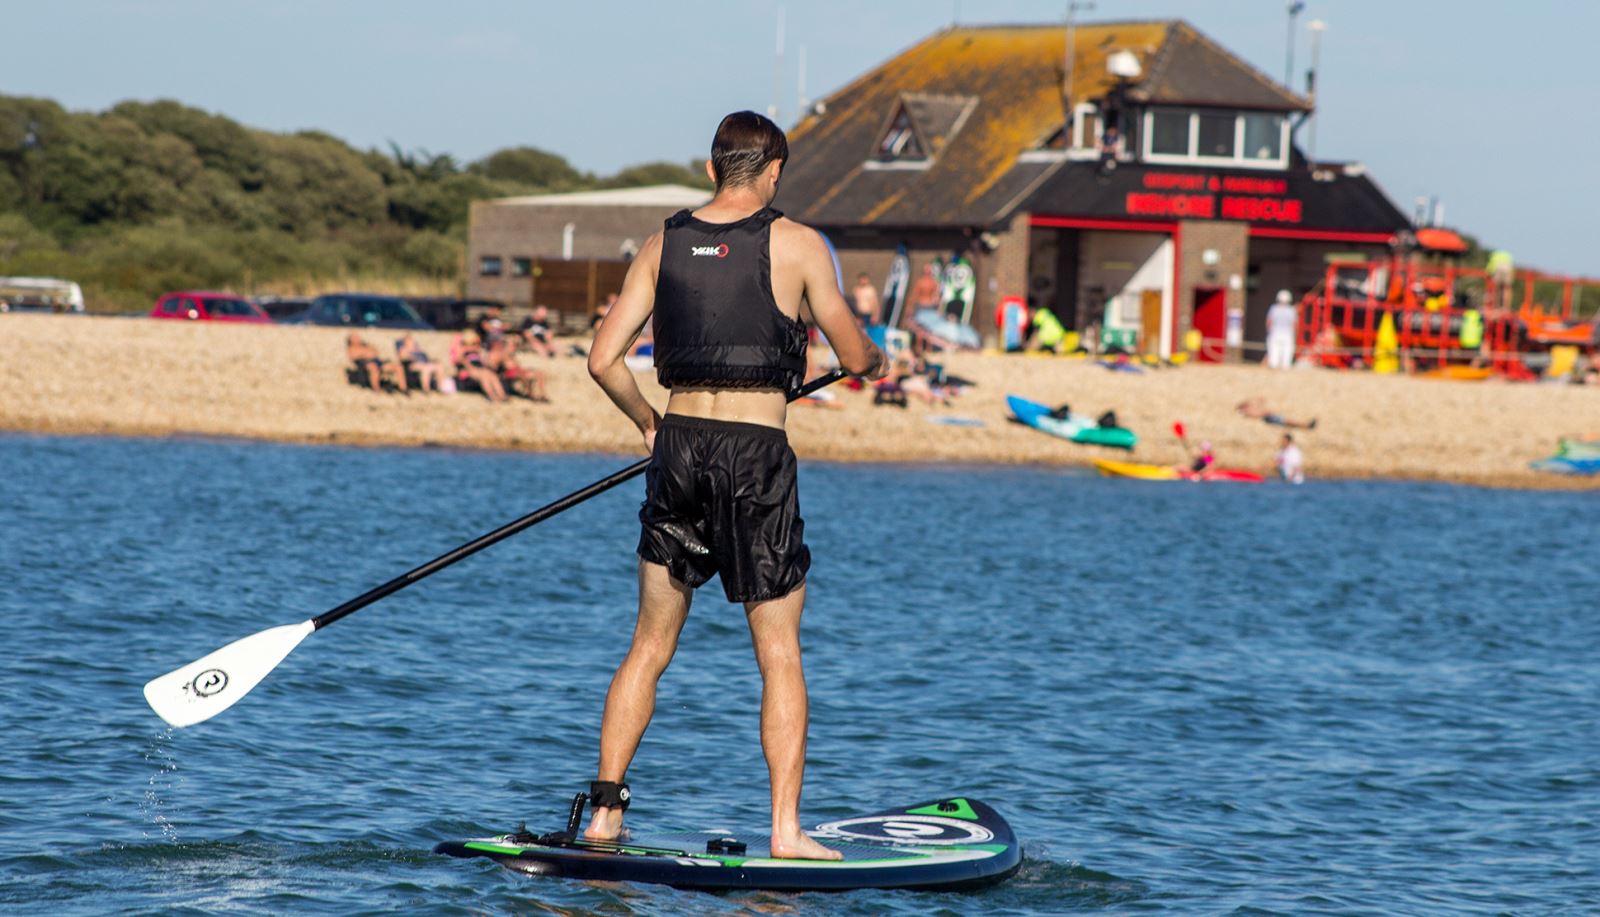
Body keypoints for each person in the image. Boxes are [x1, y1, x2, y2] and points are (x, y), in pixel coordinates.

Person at [584, 111, 887, 861]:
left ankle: (603, 817)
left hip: (679, 445)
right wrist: (873, 358)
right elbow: (853, 353)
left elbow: (602, 361)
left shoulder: (662, 242)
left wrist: (648, 424)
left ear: (715, 165)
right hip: (756, 453)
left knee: (649, 642)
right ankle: (786, 831)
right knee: (778, 650)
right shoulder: (799, 244)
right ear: (774, 170)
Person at [449, 330, 508, 402]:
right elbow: (460, 360)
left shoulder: (477, 352)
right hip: (470, 371)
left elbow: (483, 362)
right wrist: (467, 350)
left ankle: (502, 395)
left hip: (480, 369)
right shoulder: (463, 352)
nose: (474, 345)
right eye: (472, 343)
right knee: (484, 375)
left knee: (492, 375)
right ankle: (492, 396)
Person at [1236, 397, 1317, 430]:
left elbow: (1259, 410)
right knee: (1288, 421)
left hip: (1269, 416)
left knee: (1288, 422)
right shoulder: (1249, 412)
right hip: (1269, 417)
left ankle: (1305, 425)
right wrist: (1266, 412)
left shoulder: (1250, 409)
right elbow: (1260, 414)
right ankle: (1306, 425)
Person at [1265, 289, 1297, 370]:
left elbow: (1269, 322)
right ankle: (1286, 366)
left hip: (1275, 333)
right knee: (1287, 351)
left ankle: (1273, 365)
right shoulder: (1292, 310)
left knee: (1274, 351)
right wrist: (1295, 334)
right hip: (1288, 334)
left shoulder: (1273, 308)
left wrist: (1269, 331)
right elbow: (1294, 324)